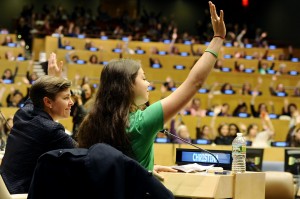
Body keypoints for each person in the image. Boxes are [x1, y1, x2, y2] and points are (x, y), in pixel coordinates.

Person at [77, 1, 225, 177]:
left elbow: (114, 169)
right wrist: (218, 38)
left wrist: (145, 169)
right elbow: (195, 82)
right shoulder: (141, 123)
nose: (148, 84)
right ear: (128, 86)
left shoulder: (90, 123)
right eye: (144, 78)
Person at [0, 53, 77, 194]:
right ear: (47, 102)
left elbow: (34, 98)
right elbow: (85, 154)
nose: (71, 102)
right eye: (66, 98)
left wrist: (51, 78)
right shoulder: (50, 129)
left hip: (7, 188)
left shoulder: (24, 113)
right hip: (22, 194)